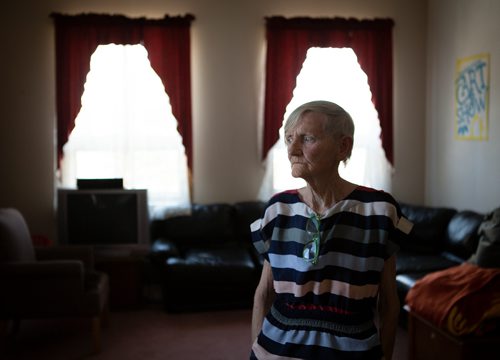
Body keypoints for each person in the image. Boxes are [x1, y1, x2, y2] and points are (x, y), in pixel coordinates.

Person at [250, 100, 412, 359]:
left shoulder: (380, 211)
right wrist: (256, 350)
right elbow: (264, 293)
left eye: (307, 138)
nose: (292, 149)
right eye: (289, 138)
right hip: (275, 350)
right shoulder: (276, 210)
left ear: (343, 146)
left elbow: (389, 302)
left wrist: (386, 355)